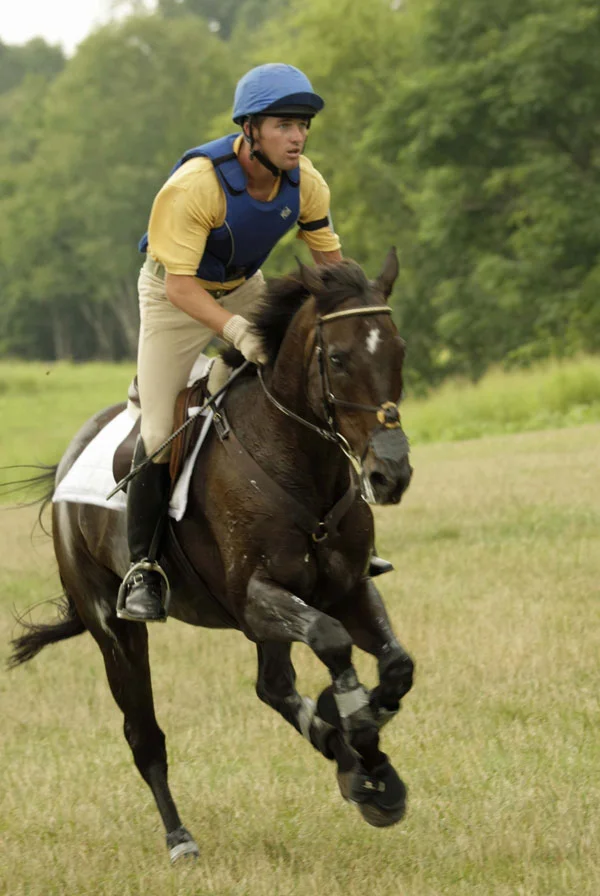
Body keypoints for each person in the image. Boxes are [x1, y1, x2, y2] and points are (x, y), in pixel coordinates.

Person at [117, 62, 391, 624]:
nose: (298, 136)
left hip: (245, 287)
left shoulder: (307, 182)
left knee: (312, 391)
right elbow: (182, 285)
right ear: (250, 130)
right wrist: (238, 331)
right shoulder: (195, 185)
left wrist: (356, 316)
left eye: (303, 125)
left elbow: (330, 266)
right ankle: (143, 567)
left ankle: (345, 542)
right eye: (285, 124)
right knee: (159, 430)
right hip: (174, 300)